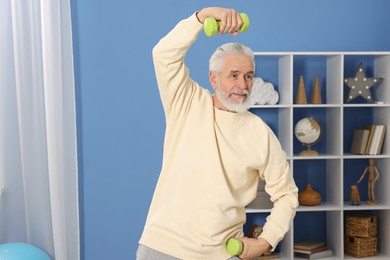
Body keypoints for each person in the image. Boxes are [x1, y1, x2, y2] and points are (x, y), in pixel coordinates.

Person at [137, 7, 299, 260]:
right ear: (213, 78)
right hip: (161, 248)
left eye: (248, 76)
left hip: (221, 254)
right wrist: (201, 17)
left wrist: (266, 241)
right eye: (233, 75)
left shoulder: (260, 132)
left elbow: (287, 195)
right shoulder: (187, 102)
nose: (243, 85)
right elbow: (163, 54)